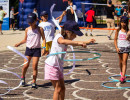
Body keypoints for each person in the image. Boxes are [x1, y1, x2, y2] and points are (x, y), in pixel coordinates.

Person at [44, 20, 95, 100]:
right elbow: (62, 41)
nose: (75, 36)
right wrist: (80, 43)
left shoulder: (66, 39)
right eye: (74, 34)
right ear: (67, 32)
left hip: (58, 66)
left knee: (63, 88)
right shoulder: (59, 37)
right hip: (52, 66)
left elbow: (70, 42)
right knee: (57, 89)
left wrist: (85, 42)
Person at [14, 13, 46, 88]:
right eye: (29, 22)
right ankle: (23, 77)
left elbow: (44, 39)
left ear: (36, 20)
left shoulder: (40, 29)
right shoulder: (27, 29)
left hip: (36, 50)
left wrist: (44, 48)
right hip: (28, 49)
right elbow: (25, 40)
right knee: (25, 65)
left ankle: (34, 81)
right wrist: (19, 43)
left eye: (31, 21)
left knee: (34, 66)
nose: (30, 23)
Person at [114, 16, 130, 83]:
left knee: (124, 61)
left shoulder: (128, 31)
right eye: (122, 22)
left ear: (127, 23)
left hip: (126, 47)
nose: (123, 24)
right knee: (120, 61)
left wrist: (128, 37)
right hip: (120, 48)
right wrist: (116, 48)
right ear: (120, 22)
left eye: (125, 22)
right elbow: (115, 40)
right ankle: (121, 72)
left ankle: (123, 76)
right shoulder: (118, 30)